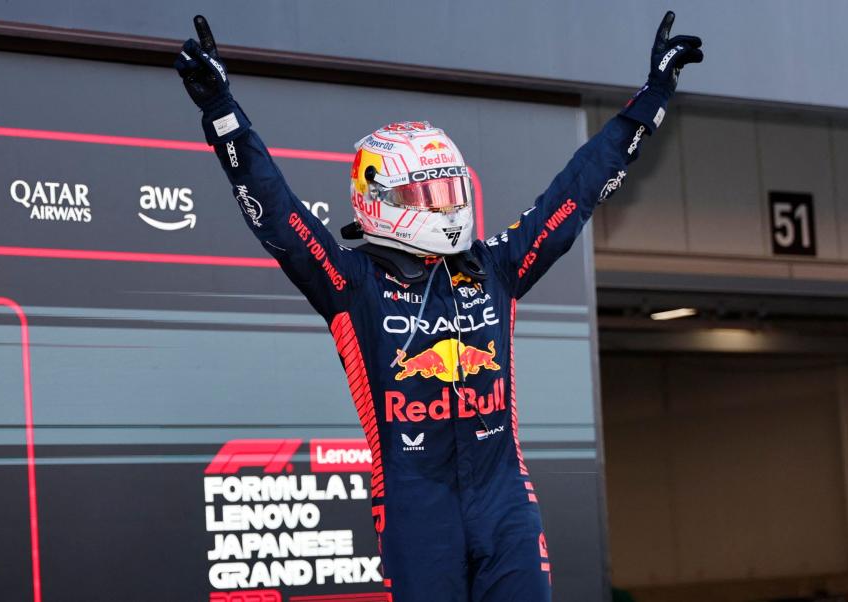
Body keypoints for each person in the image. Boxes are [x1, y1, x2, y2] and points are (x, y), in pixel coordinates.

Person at [175, 12, 702, 602]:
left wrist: (652, 98)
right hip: (414, 509)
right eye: (428, 194)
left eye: (450, 190)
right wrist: (222, 113)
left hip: (506, 503)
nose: (446, 208)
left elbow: (576, 190)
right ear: (377, 198)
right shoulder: (352, 283)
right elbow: (277, 211)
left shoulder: (495, 266)